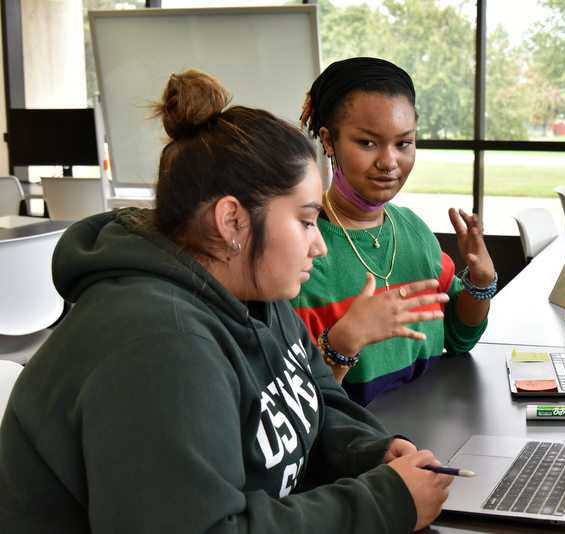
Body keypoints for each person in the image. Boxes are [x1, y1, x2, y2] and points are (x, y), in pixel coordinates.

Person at [0, 69, 452, 533]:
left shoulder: (258, 291)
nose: (318, 245)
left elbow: (317, 400)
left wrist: (370, 453)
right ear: (233, 221)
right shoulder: (157, 347)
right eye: (306, 221)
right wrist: (383, 502)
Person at [292, 57, 496, 405]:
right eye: (368, 143)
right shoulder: (302, 249)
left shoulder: (413, 230)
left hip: (434, 426)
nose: (389, 162)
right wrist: (344, 340)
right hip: (360, 446)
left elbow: (459, 340)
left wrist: (481, 280)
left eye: (404, 143)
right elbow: (293, 398)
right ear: (329, 141)